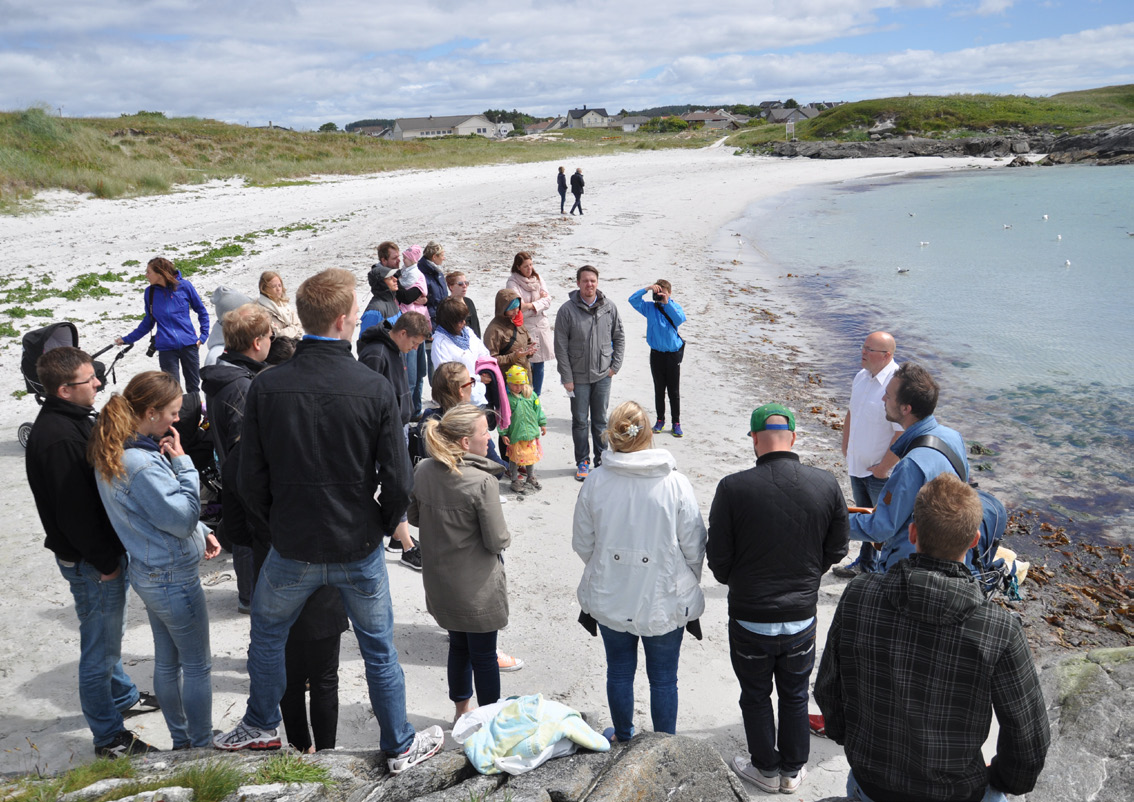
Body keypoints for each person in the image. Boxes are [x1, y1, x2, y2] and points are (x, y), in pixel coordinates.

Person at [213, 268, 444, 775]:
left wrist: (277, 528)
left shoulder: (268, 386)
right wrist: (380, 525)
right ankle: (399, 743)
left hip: (293, 542)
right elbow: (398, 480)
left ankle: (258, 724)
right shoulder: (372, 386)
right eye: (357, 314)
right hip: (355, 542)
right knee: (378, 648)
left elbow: (247, 478)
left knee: (268, 636)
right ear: (342, 321)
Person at [815, 474, 1050, 802]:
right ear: (974, 540)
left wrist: (849, 739)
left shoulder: (858, 595)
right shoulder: (999, 629)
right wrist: (1000, 778)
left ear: (912, 534)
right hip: (956, 792)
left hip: (871, 783)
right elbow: (1029, 740)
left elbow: (828, 687)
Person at [24, 347, 160, 758]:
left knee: (105, 633)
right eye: (90, 379)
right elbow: (75, 515)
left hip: (93, 556)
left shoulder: (72, 420)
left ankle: (122, 695)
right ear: (64, 389)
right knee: (99, 650)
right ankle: (108, 737)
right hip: (90, 562)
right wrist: (105, 564)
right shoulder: (57, 439)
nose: (99, 382)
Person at [707, 403, 849, 795]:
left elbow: (718, 559)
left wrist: (743, 580)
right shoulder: (825, 483)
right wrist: (805, 575)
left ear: (754, 439)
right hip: (800, 615)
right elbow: (837, 549)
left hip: (751, 615)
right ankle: (791, 770)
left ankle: (765, 769)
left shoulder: (733, 487)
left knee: (755, 695)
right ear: (794, 438)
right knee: (794, 694)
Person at [89, 370, 222, 750]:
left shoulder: (118, 448)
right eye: (173, 412)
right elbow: (179, 519)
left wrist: (201, 530)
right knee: (196, 665)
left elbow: (158, 515)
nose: (177, 419)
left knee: (167, 662)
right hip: (172, 577)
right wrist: (183, 465)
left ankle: (183, 739)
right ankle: (198, 744)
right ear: (150, 412)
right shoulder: (142, 463)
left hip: (150, 571)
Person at [573, 401, 705, 742]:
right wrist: (687, 577)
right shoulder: (675, 483)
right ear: (647, 434)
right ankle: (662, 747)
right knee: (663, 678)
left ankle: (624, 733)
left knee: (619, 670)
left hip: (611, 593)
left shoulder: (596, 481)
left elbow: (582, 542)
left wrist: (605, 566)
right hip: (663, 597)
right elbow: (693, 542)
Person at [408, 405, 511, 722]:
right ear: (466, 442)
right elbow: (496, 539)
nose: (488, 437)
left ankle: (461, 711)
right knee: (484, 656)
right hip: (476, 587)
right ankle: (489, 717)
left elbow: (413, 517)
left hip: (441, 582)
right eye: (484, 432)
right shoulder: (481, 482)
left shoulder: (423, 470)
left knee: (458, 647)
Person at [848, 362, 968, 573]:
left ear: (906, 408)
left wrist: (830, 520)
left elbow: (881, 528)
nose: (883, 399)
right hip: (945, 562)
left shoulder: (910, 466)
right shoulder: (953, 437)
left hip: (907, 569)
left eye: (888, 396)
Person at [200, 303, 273, 613]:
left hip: (229, 465)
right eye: (270, 335)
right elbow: (246, 446)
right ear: (257, 343)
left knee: (243, 529)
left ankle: (249, 592)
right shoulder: (242, 386)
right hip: (241, 473)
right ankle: (251, 597)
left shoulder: (225, 372)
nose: (273, 339)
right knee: (248, 533)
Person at [358, 310, 432, 570]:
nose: (413, 349)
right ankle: (407, 547)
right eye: (413, 343)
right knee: (397, 483)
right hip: (384, 431)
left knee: (399, 482)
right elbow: (366, 400)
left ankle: (400, 539)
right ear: (402, 333)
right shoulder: (376, 354)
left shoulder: (394, 348)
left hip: (397, 425)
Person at [833, 331, 902, 579]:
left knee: (885, 524)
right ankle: (865, 564)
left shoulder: (897, 384)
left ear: (887, 355)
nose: (863, 352)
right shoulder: (861, 377)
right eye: (863, 347)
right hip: (857, 464)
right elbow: (852, 413)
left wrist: (884, 466)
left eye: (869, 349)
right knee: (863, 517)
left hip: (879, 471)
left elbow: (901, 431)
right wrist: (846, 446)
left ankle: (886, 571)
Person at [554, 265, 625, 481]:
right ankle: (582, 461)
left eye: (593, 280)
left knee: (601, 421)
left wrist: (615, 366)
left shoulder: (609, 307)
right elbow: (560, 346)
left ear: (597, 282)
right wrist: (567, 377)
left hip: (603, 374)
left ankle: (602, 459)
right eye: (585, 281)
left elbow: (619, 337)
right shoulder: (567, 310)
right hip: (578, 378)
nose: (589, 284)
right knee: (580, 421)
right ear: (577, 283)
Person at [116, 257, 209, 393]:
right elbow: (148, 322)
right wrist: (127, 339)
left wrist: (203, 336)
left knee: (193, 388)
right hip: (166, 348)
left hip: (190, 345)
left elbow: (201, 311)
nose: (146, 275)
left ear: (160, 273)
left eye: (149, 272)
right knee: (172, 390)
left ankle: (194, 414)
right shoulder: (150, 293)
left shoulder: (185, 286)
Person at [629, 280, 686, 438]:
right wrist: (646, 289)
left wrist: (666, 302)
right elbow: (632, 300)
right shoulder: (650, 307)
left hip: (673, 354)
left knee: (673, 390)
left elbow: (680, 319)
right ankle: (660, 420)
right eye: (658, 293)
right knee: (659, 389)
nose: (660, 296)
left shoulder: (673, 306)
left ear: (669, 293)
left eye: (663, 293)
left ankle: (676, 423)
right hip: (656, 353)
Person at [505, 252, 553, 396]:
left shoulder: (538, 278)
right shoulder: (512, 282)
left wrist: (531, 305)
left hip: (541, 326)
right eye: (526, 266)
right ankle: (523, 395)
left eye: (531, 265)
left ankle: (536, 397)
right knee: (525, 364)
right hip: (525, 327)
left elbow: (548, 300)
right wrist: (538, 303)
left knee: (539, 365)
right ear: (518, 267)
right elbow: (519, 307)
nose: (529, 268)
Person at [431, 297, 493, 408]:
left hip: (480, 395)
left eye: (464, 319)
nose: (464, 323)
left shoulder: (468, 332)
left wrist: (486, 370)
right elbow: (447, 377)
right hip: (459, 403)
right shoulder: (440, 344)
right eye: (459, 321)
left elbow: (483, 352)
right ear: (448, 322)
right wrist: (477, 378)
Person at [500, 365, 546, 493]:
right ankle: (515, 480)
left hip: (531, 433)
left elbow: (538, 410)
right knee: (514, 458)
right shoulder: (507, 400)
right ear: (509, 383)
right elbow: (503, 417)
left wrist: (542, 423)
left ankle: (530, 477)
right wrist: (503, 433)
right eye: (515, 385)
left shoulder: (531, 396)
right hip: (516, 434)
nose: (518, 387)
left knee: (530, 456)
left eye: (521, 384)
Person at [482, 288, 536, 385]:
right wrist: (514, 356)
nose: (516, 311)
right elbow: (490, 360)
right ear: (503, 309)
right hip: (508, 382)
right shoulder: (494, 330)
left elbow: (527, 342)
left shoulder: (517, 322)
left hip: (525, 378)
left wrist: (529, 350)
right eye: (512, 309)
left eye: (517, 307)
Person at [360, 257, 402, 335]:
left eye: (394, 276)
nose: (395, 279)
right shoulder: (374, 311)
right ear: (381, 283)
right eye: (390, 278)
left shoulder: (392, 302)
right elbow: (365, 341)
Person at [257, 271, 303, 341]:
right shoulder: (260, 310)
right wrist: (294, 330)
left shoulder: (286, 306)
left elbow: (299, 327)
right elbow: (275, 334)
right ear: (264, 288)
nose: (278, 289)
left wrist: (290, 330)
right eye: (273, 286)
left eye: (279, 285)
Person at [418, 241, 449, 331]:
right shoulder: (421, 273)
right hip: (431, 319)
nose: (444, 258)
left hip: (442, 316)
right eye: (442, 255)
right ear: (434, 257)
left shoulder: (437, 272)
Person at [446, 271, 481, 337]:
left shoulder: (469, 302)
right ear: (451, 287)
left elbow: (476, 325)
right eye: (460, 284)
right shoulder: (446, 305)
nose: (464, 286)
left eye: (466, 283)